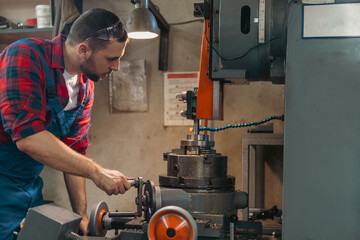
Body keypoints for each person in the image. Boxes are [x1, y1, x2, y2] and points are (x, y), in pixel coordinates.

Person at [0, 8, 131, 239]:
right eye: (112, 58)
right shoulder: (24, 55)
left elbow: (75, 151)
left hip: (28, 188)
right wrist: (96, 171)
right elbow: (28, 139)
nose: (116, 67)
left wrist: (81, 216)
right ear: (83, 50)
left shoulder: (85, 87)